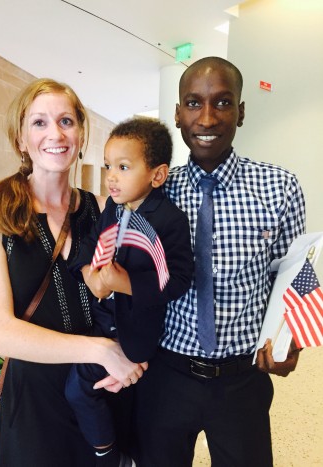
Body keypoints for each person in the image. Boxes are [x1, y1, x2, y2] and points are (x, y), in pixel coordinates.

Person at [133, 57, 306, 467]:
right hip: (166, 375)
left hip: (242, 379)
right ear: (177, 114)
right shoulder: (155, 191)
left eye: (223, 103)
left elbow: (294, 274)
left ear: (241, 112)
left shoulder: (279, 187)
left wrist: (290, 342)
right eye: (193, 103)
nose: (207, 118)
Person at [0, 78, 146, 467]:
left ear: (80, 133)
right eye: (39, 123)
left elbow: (137, 297)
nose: (55, 133)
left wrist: (134, 357)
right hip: (35, 402)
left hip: (101, 390)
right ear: (20, 139)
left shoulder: (104, 210)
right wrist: (100, 349)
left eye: (66, 121)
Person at [65, 117, 193, 467]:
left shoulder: (169, 219)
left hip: (136, 333)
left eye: (123, 167)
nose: (111, 176)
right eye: (108, 166)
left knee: (83, 390)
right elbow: (88, 245)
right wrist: (88, 271)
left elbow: (180, 278)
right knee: (84, 392)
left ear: (157, 175)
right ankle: (109, 451)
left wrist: (127, 284)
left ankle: (111, 456)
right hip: (101, 323)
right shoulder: (111, 208)